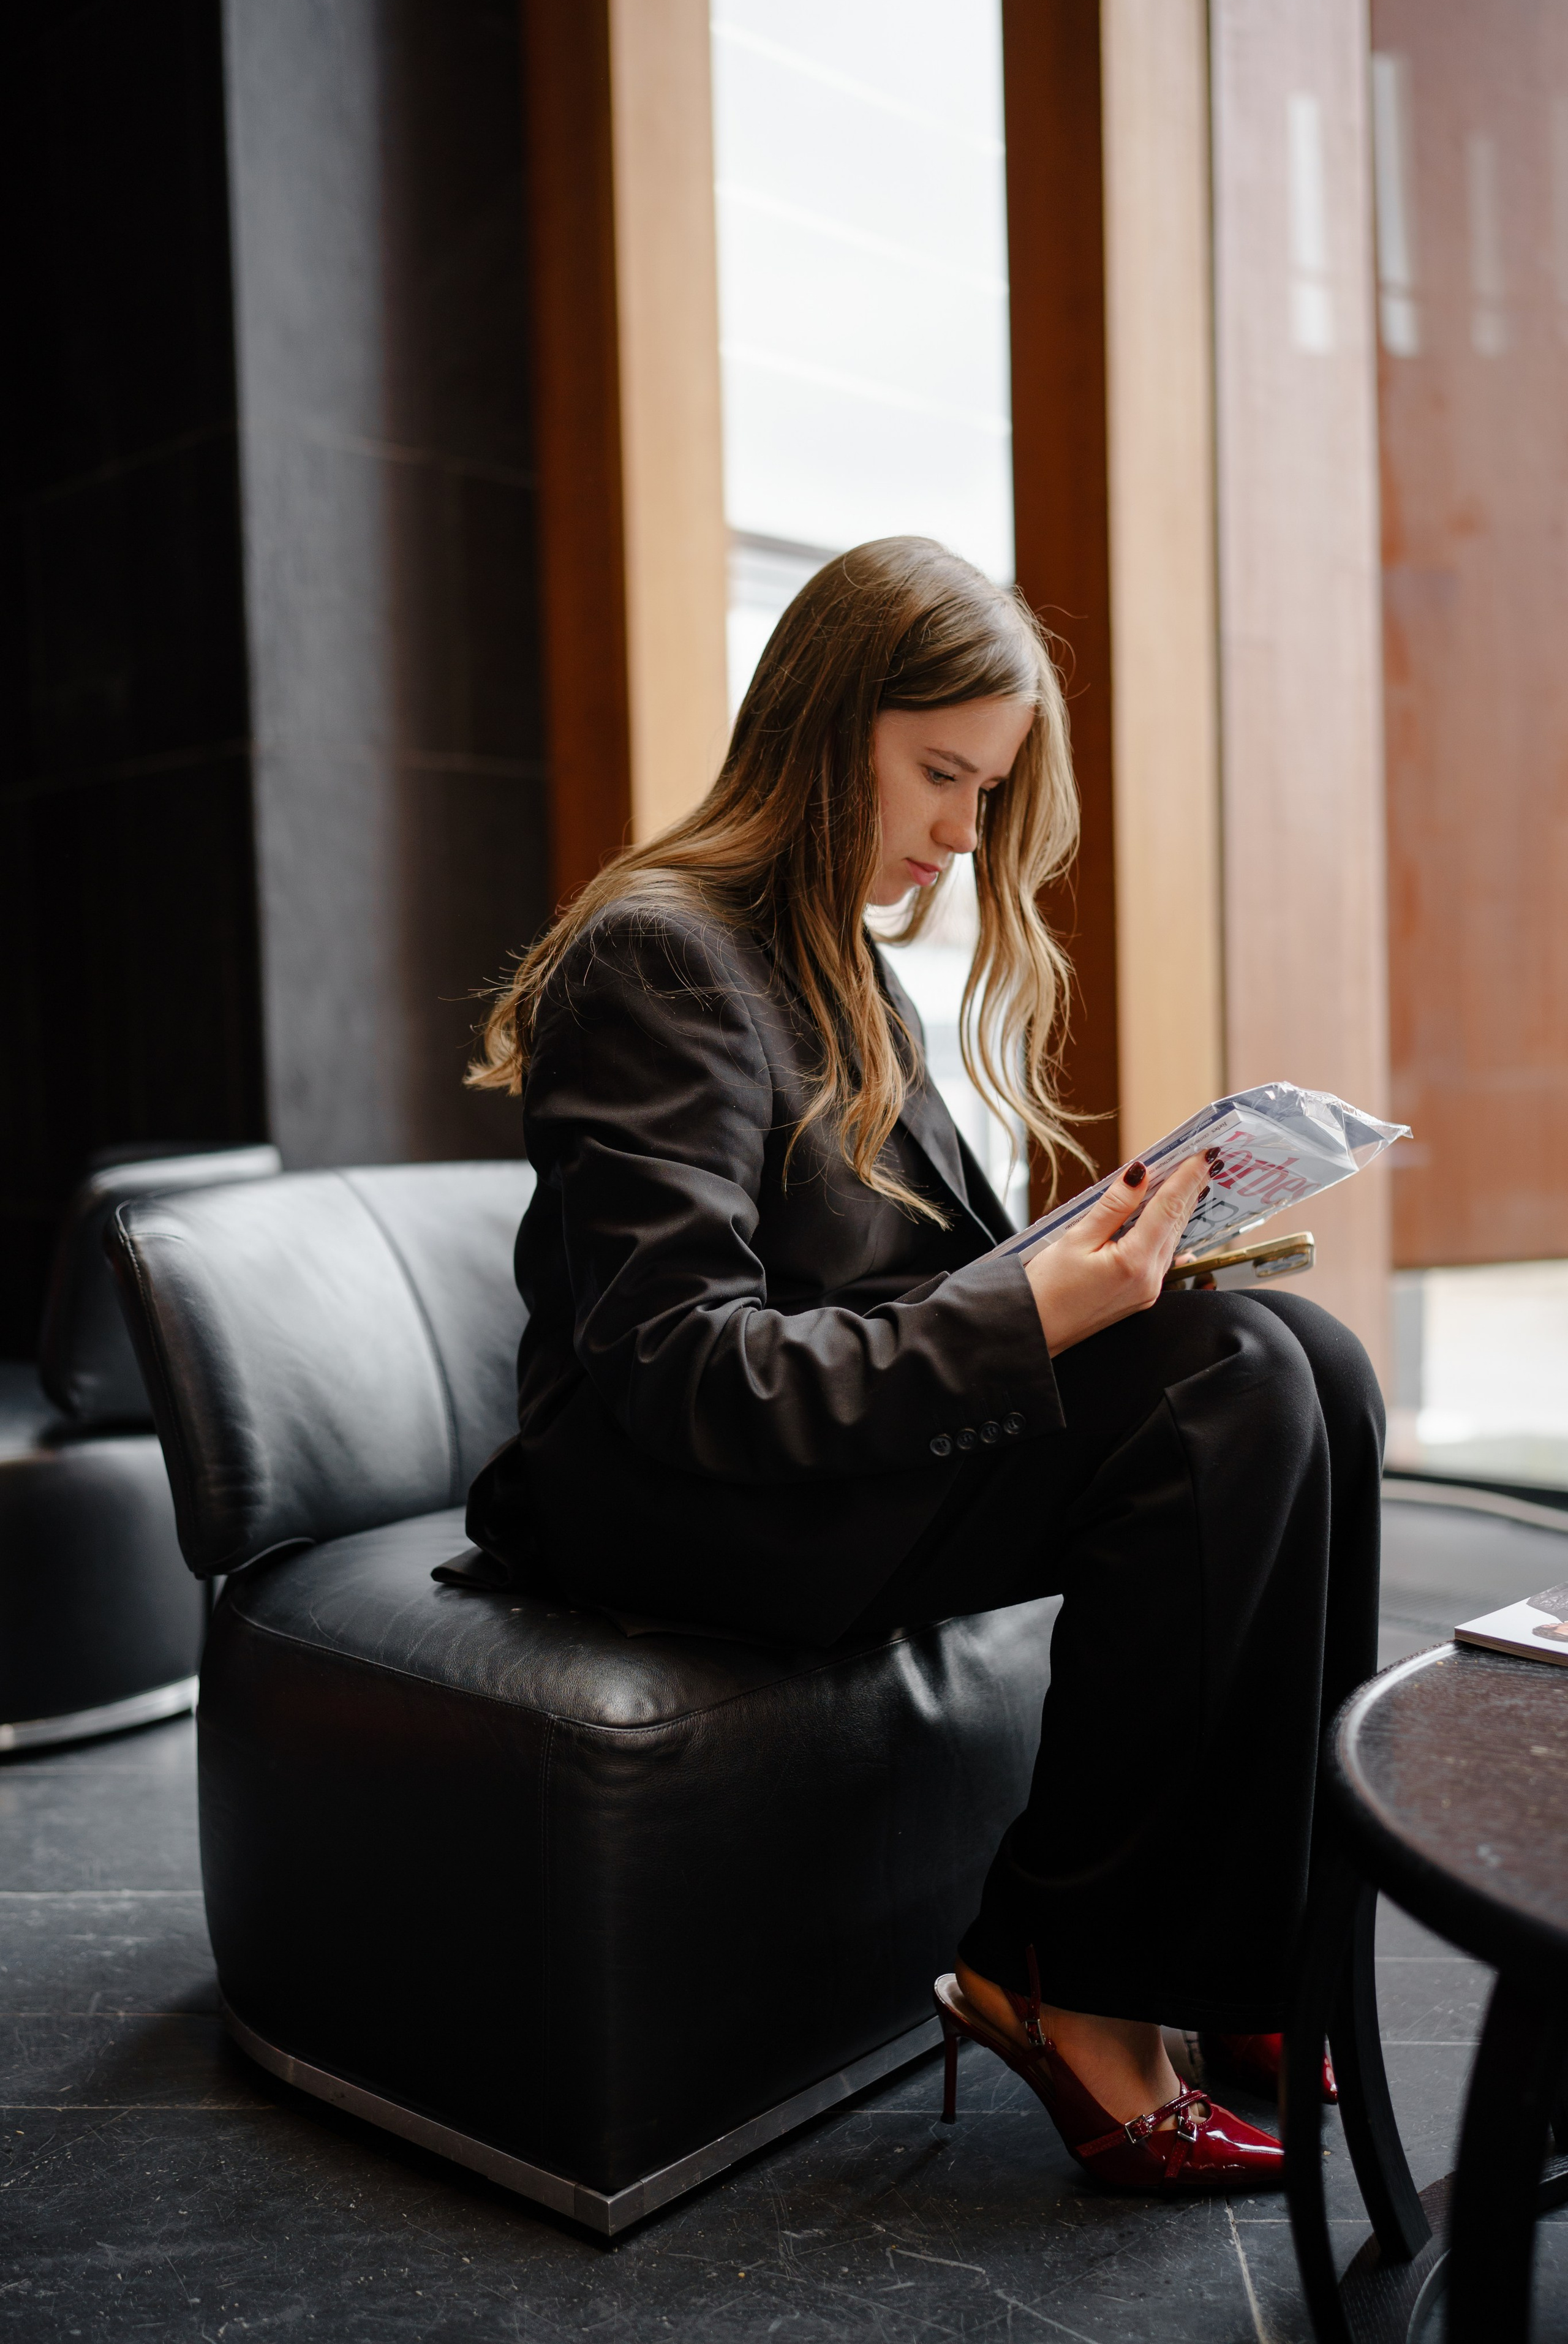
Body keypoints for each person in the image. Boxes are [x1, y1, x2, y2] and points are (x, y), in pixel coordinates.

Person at [465, 537, 1383, 2195]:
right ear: (828, 732)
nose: (964, 835)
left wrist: (1078, 1265)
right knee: (1231, 1382)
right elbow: (683, 1370)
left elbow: (874, 1286)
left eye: (987, 789)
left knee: (1312, 1360)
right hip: (683, 1500)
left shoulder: (826, 956)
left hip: (819, 1449)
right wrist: (1036, 1313)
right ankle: (1067, 1977)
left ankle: (1246, 1959)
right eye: (940, 776)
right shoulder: (662, 952)